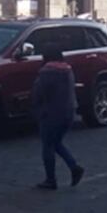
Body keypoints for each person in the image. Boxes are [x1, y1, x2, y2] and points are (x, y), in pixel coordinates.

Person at [31, 46, 84, 190]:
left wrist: (37, 110)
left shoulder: (47, 73)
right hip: (69, 112)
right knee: (56, 143)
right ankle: (74, 167)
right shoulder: (68, 70)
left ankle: (51, 179)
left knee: (48, 145)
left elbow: (38, 93)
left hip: (51, 114)